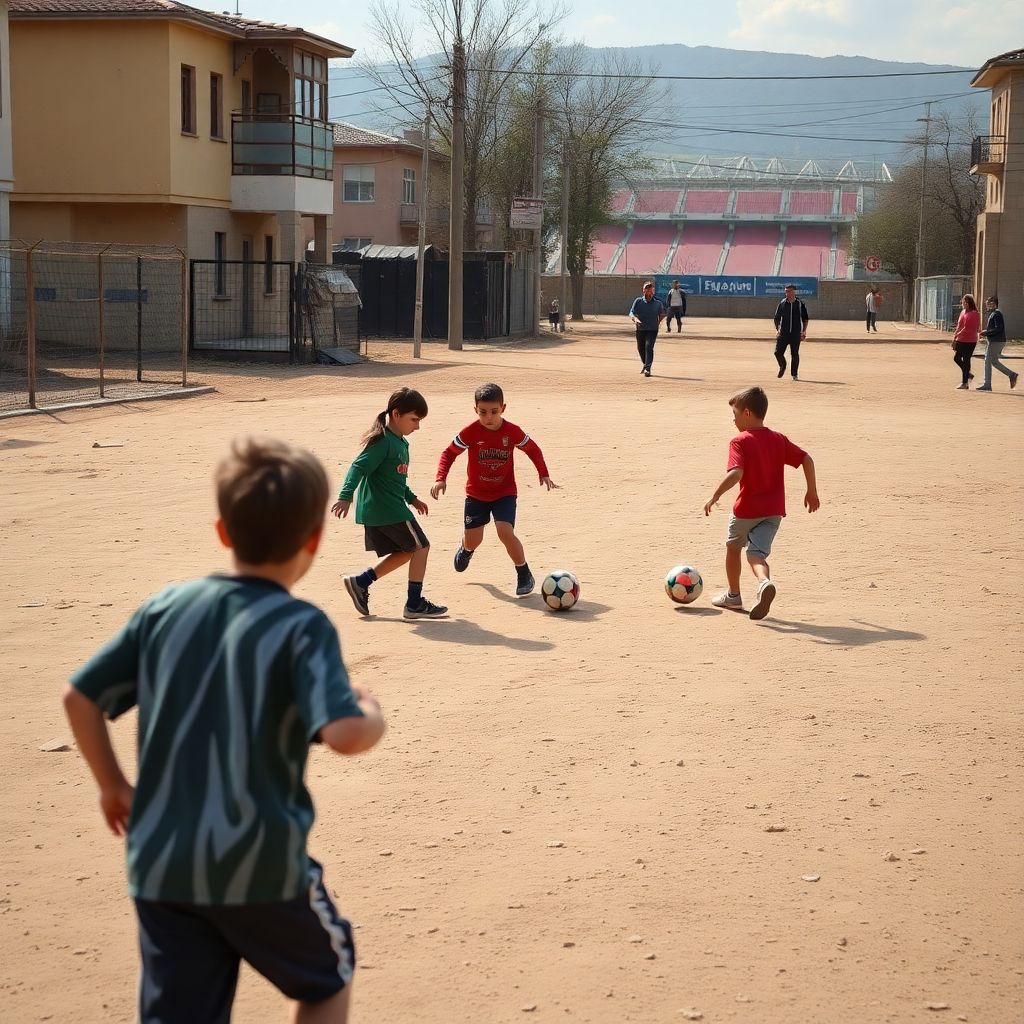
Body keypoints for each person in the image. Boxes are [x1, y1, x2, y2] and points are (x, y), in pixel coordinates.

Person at [62, 436, 386, 1024]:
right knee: (326, 979)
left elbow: (79, 697)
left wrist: (112, 786)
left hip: (161, 865)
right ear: (313, 540)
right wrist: (370, 711)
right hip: (259, 863)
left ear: (223, 532)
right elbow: (343, 734)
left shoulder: (165, 610)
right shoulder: (300, 627)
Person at [703, 386, 820, 621]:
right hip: (773, 511)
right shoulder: (778, 439)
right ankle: (764, 582)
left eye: (734, 414)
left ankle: (733, 595)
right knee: (756, 554)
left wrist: (715, 495)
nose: (733, 419)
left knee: (733, 547)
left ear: (747, 413)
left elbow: (736, 473)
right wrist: (812, 492)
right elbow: (806, 458)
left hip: (746, 509)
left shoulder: (740, 441)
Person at [431, 382, 557, 596]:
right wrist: (440, 478)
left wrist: (543, 473)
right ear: (475, 410)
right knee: (474, 539)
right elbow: (449, 453)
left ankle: (523, 573)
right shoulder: (470, 432)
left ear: (503, 408)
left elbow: (532, 449)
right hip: (476, 494)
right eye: (482, 412)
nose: (488, 417)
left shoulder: (512, 431)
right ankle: (466, 549)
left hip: (504, 492)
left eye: (493, 411)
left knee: (504, 531)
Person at [335, 387, 448, 619]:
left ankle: (360, 582)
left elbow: (394, 479)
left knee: (407, 551)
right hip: (386, 509)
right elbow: (358, 467)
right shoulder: (383, 442)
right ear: (396, 414)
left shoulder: (400, 443)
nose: (417, 426)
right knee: (421, 547)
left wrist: (412, 498)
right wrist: (345, 496)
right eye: (414, 419)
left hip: (388, 507)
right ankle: (414, 604)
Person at [977, 295, 1018, 392]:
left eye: (988, 304)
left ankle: (987, 384)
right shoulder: (995, 314)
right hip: (997, 341)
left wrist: (985, 333)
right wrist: (986, 332)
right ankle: (1012, 375)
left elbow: (998, 329)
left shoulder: (996, 314)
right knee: (994, 361)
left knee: (987, 360)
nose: (986, 306)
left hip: (996, 341)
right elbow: (995, 329)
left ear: (993, 304)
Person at [772, 284, 809, 380]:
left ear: (794, 292)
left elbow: (805, 319)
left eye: (788, 291)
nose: (786, 293)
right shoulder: (782, 303)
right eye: (786, 291)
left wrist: (803, 332)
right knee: (777, 352)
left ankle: (794, 374)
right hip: (783, 333)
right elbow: (776, 318)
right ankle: (783, 365)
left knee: (794, 354)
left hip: (795, 333)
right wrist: (778, 329)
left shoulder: (800, 304)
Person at [629, 280, 665, 377]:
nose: (649, 290)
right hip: (640, 329)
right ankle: (645, 364)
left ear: (653, 291)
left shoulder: (658, 303)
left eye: (650, 289)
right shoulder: (638, 301)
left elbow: (662, 314)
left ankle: (648, 368)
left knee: (649, 347)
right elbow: (631, 312)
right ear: (643, 290)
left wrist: (658, 322)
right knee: (640, 349)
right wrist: (635, 319)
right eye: (647, 288)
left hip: (652, 329)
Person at [951, 294, 981, 391]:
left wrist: (957, 336)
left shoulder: (974, 314)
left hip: (969, 340)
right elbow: (959, 326)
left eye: (963, 301)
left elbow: (968, 328)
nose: (962, 303)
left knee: (966, 359)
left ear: (968, 303)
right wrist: (955, 336)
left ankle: (965, 383)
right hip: (961, 339)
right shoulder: (963, 312)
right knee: (957, 358)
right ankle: (968, 374)